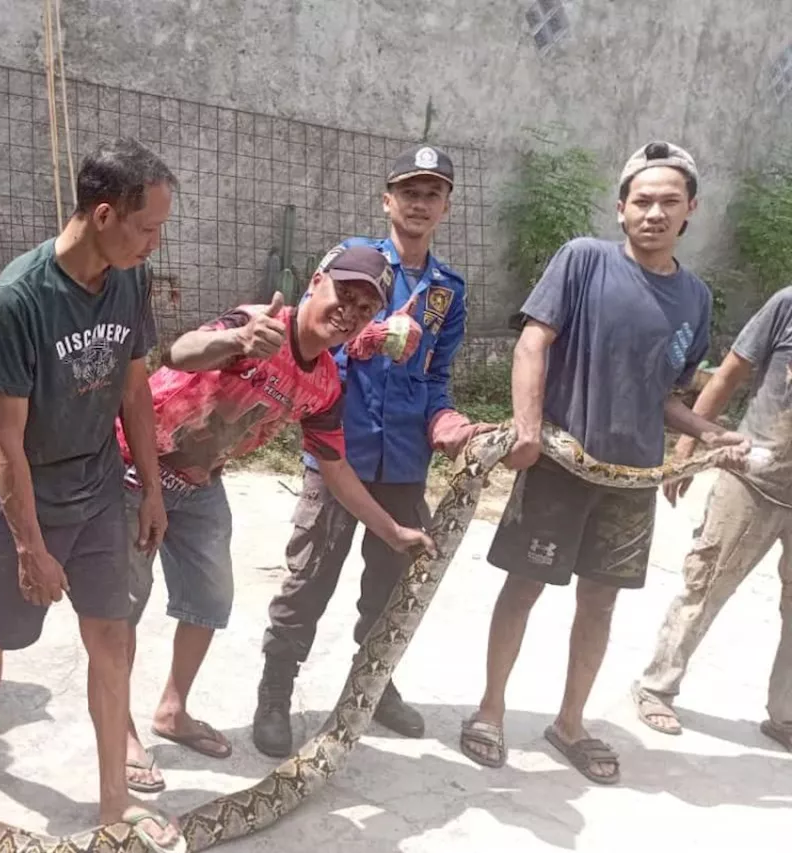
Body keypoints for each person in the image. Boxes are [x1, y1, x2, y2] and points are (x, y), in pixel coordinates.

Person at [0, 137, 181, 851]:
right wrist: (29, 546)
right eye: (147, 226)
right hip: (25, 488)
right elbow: (4, 440)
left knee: (111, 636)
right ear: (102, 214)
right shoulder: (18, 299)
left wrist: (150, 487)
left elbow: (133, 390)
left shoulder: (130, 279)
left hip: (97, 487)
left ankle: (113, 801)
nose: (155, 243)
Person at [458, 141, 752, 785]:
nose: (653, 212)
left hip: (632, 480)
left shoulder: (696, 299)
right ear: (620, 209)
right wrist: (529, 430)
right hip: (561, 464)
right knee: (525, 585)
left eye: (668, 202)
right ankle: (489, 709)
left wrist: (708, 432)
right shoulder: (583, 262)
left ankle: (569, 723)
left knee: (600, 602)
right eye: (641, 200)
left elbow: (667, 398)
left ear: (689, 211)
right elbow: (533, 342)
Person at [117, 242, 437, 788]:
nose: (351, 312)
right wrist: (237, 340)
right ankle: (119, 729)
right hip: (131, 468)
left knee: (208, 601)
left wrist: (392, 530)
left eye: (366, 308)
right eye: (345, 293)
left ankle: (172, 711)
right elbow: (180, 352)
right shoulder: (260, 323)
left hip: (199, 485)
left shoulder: (326, 385)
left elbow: (335, 469)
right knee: (122, 605)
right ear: (317, 281)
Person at [252, 144, 491, 757]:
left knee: (390, 586)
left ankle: (375, 684)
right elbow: (310, 341)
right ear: (388, 200)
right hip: (339, 454)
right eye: (408, 191)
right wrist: (351, 348)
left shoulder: (446, 291)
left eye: (431, 193)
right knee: (308, 581)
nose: (418, 203)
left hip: (405, 463)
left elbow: (437, 377)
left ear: (445, 207)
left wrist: (446, 421)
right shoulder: (355, 266)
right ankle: (275, 693)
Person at [632, 285, 792, 751]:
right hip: (752, 476)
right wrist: (688, 447)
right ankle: (657, 686)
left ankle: (785, 717)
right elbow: (728, 375)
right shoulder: (785, 304)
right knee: (706, 582)